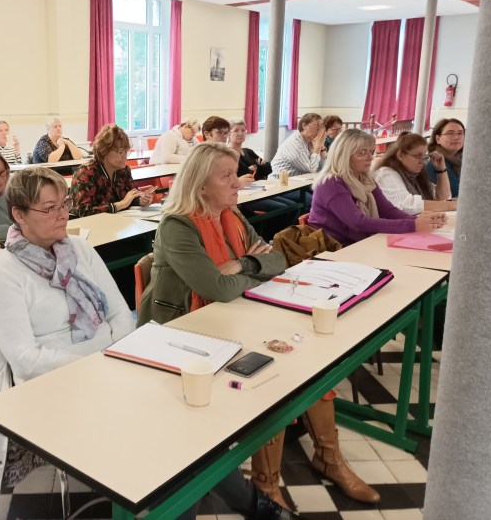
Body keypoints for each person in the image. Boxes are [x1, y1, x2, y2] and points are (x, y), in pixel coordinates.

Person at [138, 142, 376, 510]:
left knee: (304, 364)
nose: (239, 182)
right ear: (201, 185)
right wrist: (250, 271)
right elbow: (216, 288)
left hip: (233, 315)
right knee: (274, 374)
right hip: (183, 334)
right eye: (226, 176)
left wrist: (243, 265)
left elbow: (277, 260)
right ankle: (267, 485)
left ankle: (329, 458)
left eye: (235, 174)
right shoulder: (177, 226)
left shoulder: (231, 215)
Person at [0, 167, 136, 520]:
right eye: (49, 208)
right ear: (19, 214)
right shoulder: (2, 271)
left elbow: (121, 314)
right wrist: (100, 359)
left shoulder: (79, 249)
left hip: (106, 367)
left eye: (64, 204)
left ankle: (160, 493)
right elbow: (27, 360)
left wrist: (111, 355)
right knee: (151, 426)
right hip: (50, 388)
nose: (62, 215)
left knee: (172, 417)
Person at [308, 129, 446, 246]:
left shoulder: (365, 179)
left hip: (356, 244)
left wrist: (421, 221)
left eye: (371, 152)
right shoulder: (331, 183)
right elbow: (358, 223)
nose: (369, 158)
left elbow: (387, 210)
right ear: (343, 156)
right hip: (333, 249)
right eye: (362, 153)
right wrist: (413, 225)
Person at [69, 125, 154, 217]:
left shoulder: (124, 170)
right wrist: (120, 205)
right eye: (120, 152)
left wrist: (141, 200)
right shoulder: (85, 173)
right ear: (104, 151)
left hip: (118, 221)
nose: (125, 157)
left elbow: (131, 197)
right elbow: (83, 211)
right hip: (91, 225)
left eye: (126, 152)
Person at [373, 132, 456, 214]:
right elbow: (405, 205)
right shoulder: (386, 173)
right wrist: (449, 205)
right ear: (400, 155)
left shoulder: (416, 176)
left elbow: (443, 199)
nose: (422, 161)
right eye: (418, 156)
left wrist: (441, 170)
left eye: (424, 156)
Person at [426, 118, 465, 198]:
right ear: (438, 139)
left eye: (460, 133)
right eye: (450, 133)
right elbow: (457, 192)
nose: (456, 137)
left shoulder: (462, 161)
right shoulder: (435, 163)